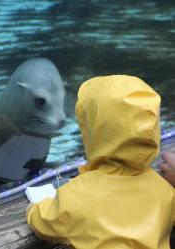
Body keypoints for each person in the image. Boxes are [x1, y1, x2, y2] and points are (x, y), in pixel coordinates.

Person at [26, 75, 175, 249]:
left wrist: (34, 207)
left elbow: (40, 221)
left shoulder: (76, 196)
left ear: (92, 131)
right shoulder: (165, 191)